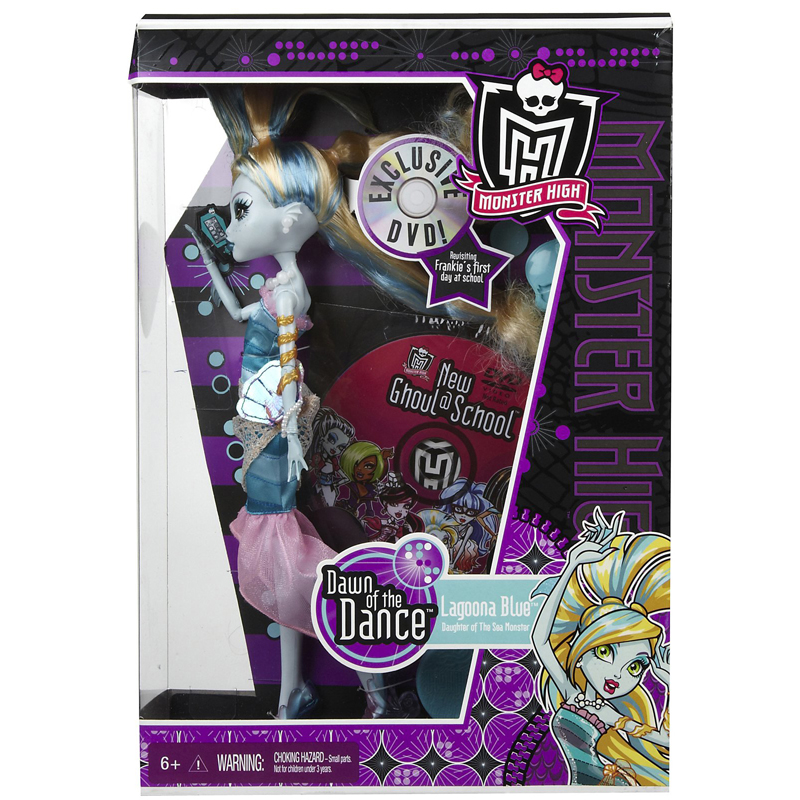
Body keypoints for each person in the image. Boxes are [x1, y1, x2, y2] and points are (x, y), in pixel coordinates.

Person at [531, 507, 670, 786]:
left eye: (635, 666)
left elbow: (668, 741)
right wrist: (570, 566)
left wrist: (669, 681)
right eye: (605, 652)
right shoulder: (572, 694)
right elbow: (540, 640)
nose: (618, 674)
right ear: (581, 653)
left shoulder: (616, 713)